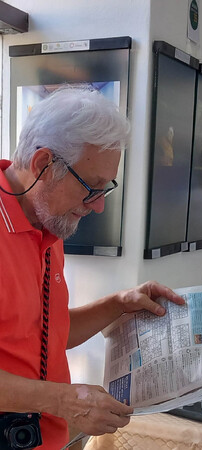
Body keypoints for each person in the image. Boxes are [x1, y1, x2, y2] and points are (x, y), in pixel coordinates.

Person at [0, 87, 185, 449]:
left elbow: (44, 332)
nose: (98, 206)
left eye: (105, 188)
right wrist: (62, 400)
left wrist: (119, 303)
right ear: (43, 165)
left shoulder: (47, 221)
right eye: (91, 187)